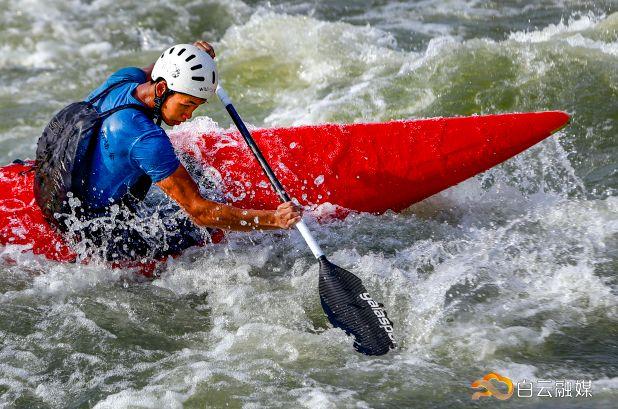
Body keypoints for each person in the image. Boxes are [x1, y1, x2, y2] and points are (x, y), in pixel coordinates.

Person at [43, 41, 301, 262]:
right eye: (187, 104)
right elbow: (200, 212)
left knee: (188, 166)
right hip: (96, 231)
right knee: (208, 227)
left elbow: (158, 68)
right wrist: (273, 220)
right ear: (162, 89)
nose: (189, 115)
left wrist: (192, 53)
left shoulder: (124, 79)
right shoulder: (146, 138)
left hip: (60, 187)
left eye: (196, 107)